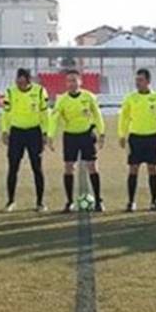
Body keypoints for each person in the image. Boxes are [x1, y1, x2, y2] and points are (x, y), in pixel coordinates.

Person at [53, 69, 106, 213]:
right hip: (70, 136)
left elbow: (97, 115)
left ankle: (98, 201)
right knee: (68, 167)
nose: (71, 83)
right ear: (66, 83)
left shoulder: (89, 97)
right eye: (68, 81)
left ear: (80, 81)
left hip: (86, 135)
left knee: (92, 166)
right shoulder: (62, 99)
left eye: (74, 80)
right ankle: (69, 202)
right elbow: (54, 118)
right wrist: (50, 135)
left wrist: (101, 133)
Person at [1, 68, 53, 212]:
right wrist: (5, 131)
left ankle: (40, 203)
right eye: (18, 82)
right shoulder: (10, 92)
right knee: (13, 168)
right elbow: (6, 113)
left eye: (23, 82)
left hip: (34, 133)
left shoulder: (40, 91)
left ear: (29, 81)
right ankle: (10, 201)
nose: (20, 85)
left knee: (37, 168)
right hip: (16, 133)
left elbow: (45, 114)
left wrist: (45, 132)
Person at [118, 68, 156, 212]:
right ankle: (131, 202)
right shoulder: (130, 98)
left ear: (148, 81)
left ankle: (154, 201)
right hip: (135, 137)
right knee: (133, 168)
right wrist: (122, 135)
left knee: (152, 169)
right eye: (137, 80)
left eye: (140, 80)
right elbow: (124, 118)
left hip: (152, 137)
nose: (137, 82)